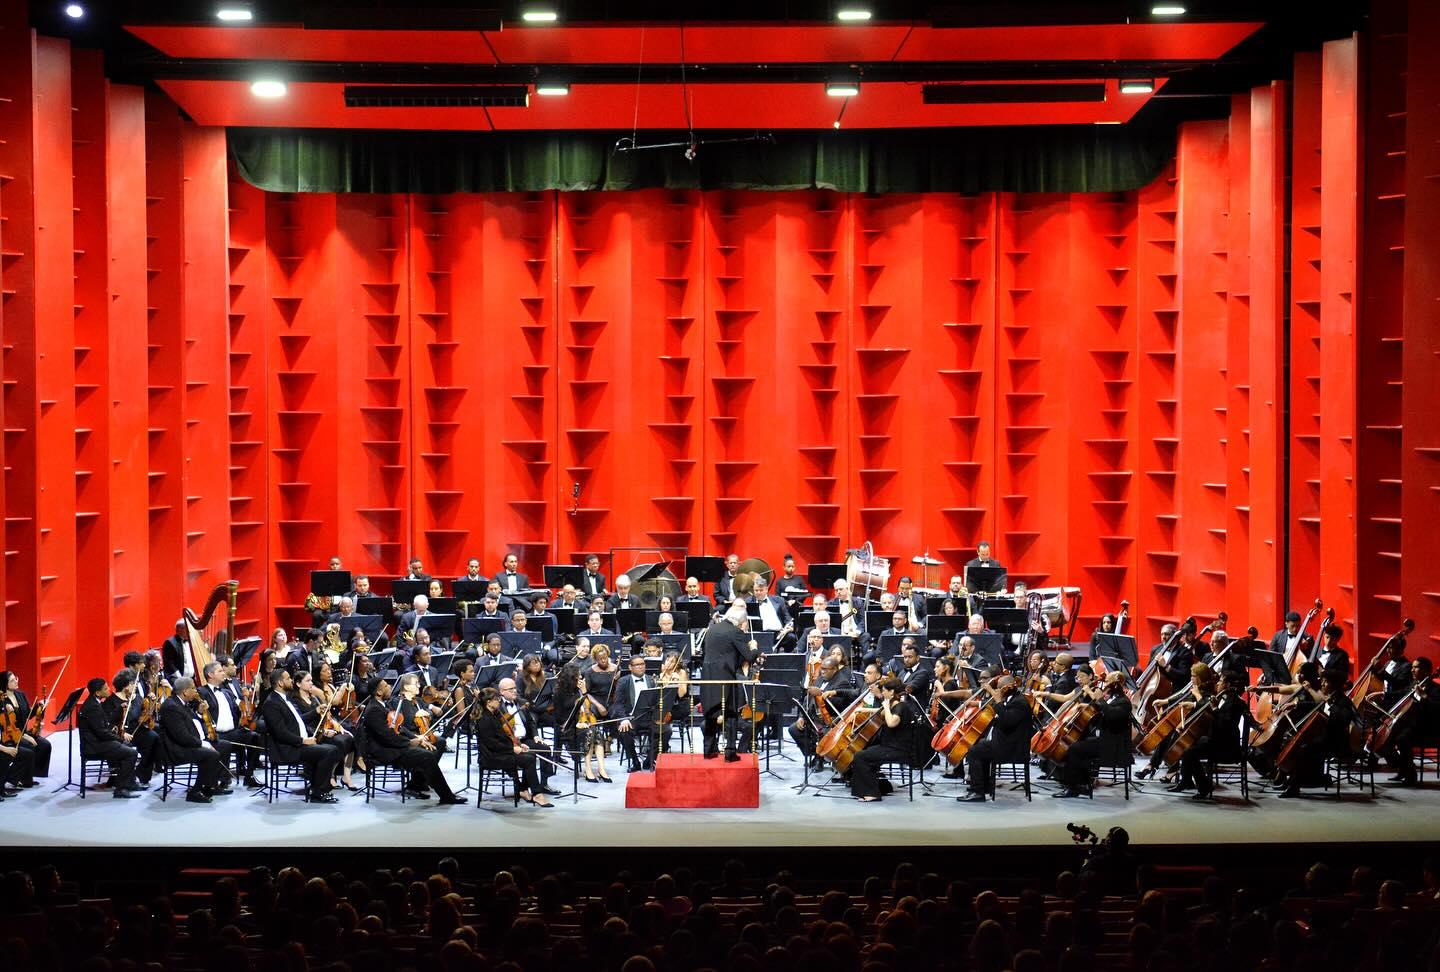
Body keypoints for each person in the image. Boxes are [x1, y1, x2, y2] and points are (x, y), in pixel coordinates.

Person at [361, 677, 466, 805]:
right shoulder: (374, 709)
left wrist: (416, 738)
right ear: (378, 692)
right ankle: (446, 795)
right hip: (384, 750)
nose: (390, 687)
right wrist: (410, 742)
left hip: (393, 745)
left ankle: (418, 783)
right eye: (386, 686)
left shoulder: (382, 705)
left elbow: (400, 728)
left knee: (434, 745)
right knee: (426, 755)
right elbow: (387, 736)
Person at [260, 669, 342, 803]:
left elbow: (298, 720)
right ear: (280, 683)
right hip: (287, 749)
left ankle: (316, 786)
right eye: (287, 679)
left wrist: (315, 712)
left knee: (331, 746)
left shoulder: (283, 699)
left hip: (296, 744)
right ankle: (318, 792)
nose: (291, 681)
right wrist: (303, 740)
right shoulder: (271, 703)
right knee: (329, 751)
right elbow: (280, 733)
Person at [1051, 672, 1133, 798]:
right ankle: (1083, 784)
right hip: (1106, 740)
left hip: (1114, 745)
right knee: (1078, 745)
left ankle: (1073, 788)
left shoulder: (1124, 702)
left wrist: (1099, 699)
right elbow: (1103, 713)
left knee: (1073, 749)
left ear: (1115, 685)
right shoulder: (1114, 699)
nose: (1105, 685)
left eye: (1107, 682)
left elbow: (1111, 715)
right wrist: (1088, 707)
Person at [1172, 670, 1249, 800]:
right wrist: (1195, 706)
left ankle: (1202, 785)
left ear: (1228, 684)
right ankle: (1189, 781)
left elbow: (1225, 724)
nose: (1217, 683)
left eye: (1220, 681)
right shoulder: (1223, 698)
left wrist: (1214, 709)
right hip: (1217, 741)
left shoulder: (1235, 702)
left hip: (1227, 747)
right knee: (1190, 745)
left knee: (1189, 753)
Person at [1278, 670, 1356, 798]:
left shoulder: (1343, 701)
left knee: (1304, 749)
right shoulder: (1330, 697)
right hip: (1324, 738)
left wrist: (1331, 705)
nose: (1323, 684)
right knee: (1295, 742)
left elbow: (1343, 719)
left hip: (1336, 742)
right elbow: (1313, 705)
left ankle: (1294, 786)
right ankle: (1290, 781)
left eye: (1326, 682)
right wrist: (1295, 704)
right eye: (1323, 681)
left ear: (1334, 685)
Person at [701, 603, 762, 760]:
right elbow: (749, 657)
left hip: (707, 676)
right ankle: (730, 752)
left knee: (710, 713)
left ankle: (708, 750)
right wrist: (754, 648)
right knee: (731, 714)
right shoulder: (736, 632)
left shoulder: (713, 628)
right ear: (741, 621)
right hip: (726, 677)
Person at [958, 675, 1033, 802]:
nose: (997, 691)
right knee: (980, 746)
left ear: (1007, 688)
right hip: (1005, 743)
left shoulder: (1020, 702)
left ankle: (977, 792)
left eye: (999, 688)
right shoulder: (1012, 698)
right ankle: (984, 787)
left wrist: (998, 702)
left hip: (1013, 748)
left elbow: (1007, 721)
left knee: (974, 751)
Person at [476, 687, 553, 806]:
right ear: (488, 702)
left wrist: (518, 743)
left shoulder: (494, 715)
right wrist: (512, 749)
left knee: (530, 756)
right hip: (491, 756)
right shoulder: (484, 719)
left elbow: (503, 737)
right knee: (529, 758)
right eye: (497, 699)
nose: (499, 701)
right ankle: (536, 793)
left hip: (500, 752)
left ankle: (524, 789)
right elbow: (492, 744)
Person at [159, 677, 231, 803]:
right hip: (177, 749)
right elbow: (181, 737)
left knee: (224, 745)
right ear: (185, 691)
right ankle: (195, 791)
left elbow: (193, 723)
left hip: (190, 743)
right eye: (193, 688)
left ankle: (210, 785)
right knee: (210, 754)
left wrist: (199, 713)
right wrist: (204, 744)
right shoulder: (171, 707)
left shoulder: (182, 703)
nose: (196, 691)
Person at [848, 677, 916, 802]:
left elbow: (891, 723)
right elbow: (880, 713)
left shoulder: (901, 707)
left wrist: (886, 707)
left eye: (884, 691)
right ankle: (883, 787)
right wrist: (861, 710)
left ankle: (872, 793)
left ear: (891, 692)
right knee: (864, 753)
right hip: (889, 746)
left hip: (898, 749)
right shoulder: (893, 705)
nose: (882, 693)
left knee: (861, 757)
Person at [197, 661, 262, 789]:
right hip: (216, 734)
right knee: (223, 744)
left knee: (255, 736)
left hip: (233, 732)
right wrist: (200, 709)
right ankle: (222, 778)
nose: (223, 673)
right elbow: (197, 712)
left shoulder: (227, 692)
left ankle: (249, 775)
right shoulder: (202, 692)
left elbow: (240, 708)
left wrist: (246, 700)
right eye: (220, 671)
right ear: (210, 674)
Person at [77, 677, 140, 799]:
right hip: (95, 746)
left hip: (99, 741)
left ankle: (129, 783)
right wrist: (120, 739)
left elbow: (103, 724)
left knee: (128, 747)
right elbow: (102, 732)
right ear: (97, 693)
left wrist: (117, 714)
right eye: (105, 688)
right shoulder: (92, 707)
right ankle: (120, 789)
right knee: (131, 753)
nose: (109, 689)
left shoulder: (95, 702)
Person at [789, 658, 856, 771]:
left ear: (834, 669)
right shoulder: (820, 679)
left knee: (823, 733)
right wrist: (802, 717)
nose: (823, 672)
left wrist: (821, 693)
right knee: (794, 729)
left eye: (826, 669)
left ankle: (820, 758)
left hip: (831, 717)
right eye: (822, 669)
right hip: (815, 716)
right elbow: (808, 698)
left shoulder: (842, 682)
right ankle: (815, 754)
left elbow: (840, 703)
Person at [1382, 657, 1440, 786]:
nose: (1412, 670)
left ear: (1426, 671)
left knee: (1402, 739)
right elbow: (1400, 693)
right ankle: (1403, 767)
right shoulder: (1413, 684)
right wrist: (1383, 694)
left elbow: (1437, 709)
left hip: (1427, 728)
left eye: (1416, 667)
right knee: (1384, 738)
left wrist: (1424, 697)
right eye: (1412, 667)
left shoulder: (1435, 689)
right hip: (1411, 725)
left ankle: (1410, 774)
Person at [0, 671, 50, 785]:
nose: (16, 681)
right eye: (12, 680)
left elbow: (29, 714)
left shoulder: (20, 695)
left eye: (16, 678)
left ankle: (30, 775)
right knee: (30, 746)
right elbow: (5, 725)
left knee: (45, 745)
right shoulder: (2, 700)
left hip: (23, 732)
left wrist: (40, 707)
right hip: (11, 735)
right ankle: (16, 778)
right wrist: (25, 736)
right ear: (5, 684)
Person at [614, 654, 658, 772]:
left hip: (649, 717)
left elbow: (656, 700)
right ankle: (635, 761)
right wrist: (624, 719)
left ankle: (649, 760)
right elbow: (618, 704)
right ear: (630, 667)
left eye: (642, 664)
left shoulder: (650, 680)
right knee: (624, 732)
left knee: (666, 731)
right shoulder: (623, 681)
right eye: (637, 665)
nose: (640, 667)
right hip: (631, 717)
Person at [656, 649, 691, 754]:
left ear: (677, 664)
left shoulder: (681, 672)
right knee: (656, 715)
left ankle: (662, 747)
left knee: (662, 717)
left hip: (679, 706)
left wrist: (678, 681)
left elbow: (681, 694)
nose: (668, 663)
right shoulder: (661, 673)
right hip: (664, 705)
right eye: (667, 660)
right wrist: (662, 678)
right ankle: (656, 746)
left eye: (672, 661)